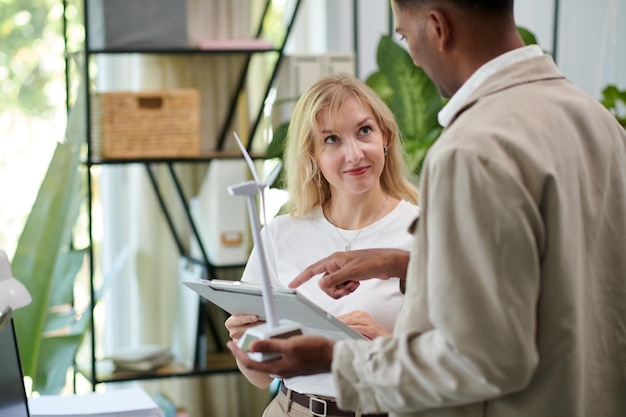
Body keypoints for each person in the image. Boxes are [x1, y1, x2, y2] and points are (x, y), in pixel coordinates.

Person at [228, 1, 626, 416]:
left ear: (437, 27)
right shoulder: (601, 124)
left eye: (404, 35)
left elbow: (482, 357)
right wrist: (403, 264)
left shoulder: (474, 149)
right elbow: (555, 280)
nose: (412, 56)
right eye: (330, 140)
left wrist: (333, 358)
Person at [225, 73, 420, 417]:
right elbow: (259, 377)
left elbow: (459, 360)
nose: (354, 153)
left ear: (384, 136)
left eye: (364, 131)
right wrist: (247, 342)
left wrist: (384, 343)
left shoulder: (424, 232)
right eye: (331, 139)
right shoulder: (278, 235)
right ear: (312, 154)